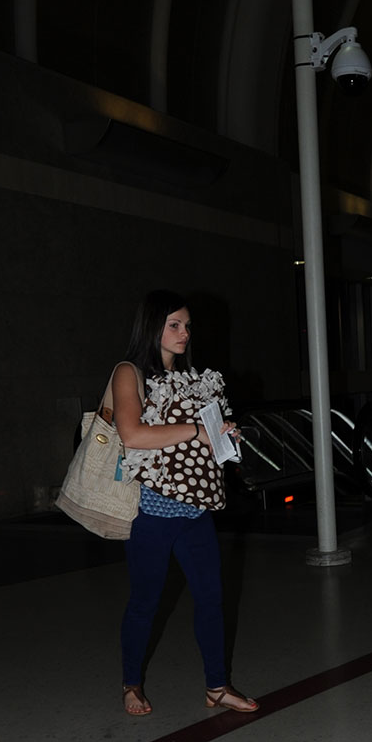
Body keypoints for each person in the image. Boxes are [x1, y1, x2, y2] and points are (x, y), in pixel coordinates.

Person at [111, 289, 258, 718]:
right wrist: (196, 431)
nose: (184, 333)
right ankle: (130, 683)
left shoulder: (196, 379)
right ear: (152, 326)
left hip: (195, 511)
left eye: (187, 325)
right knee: (145, 601)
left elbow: (198, 440)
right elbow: (133, 435)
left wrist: (222, 433)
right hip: (152, 513)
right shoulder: (130, 373)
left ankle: (217, 686)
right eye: (174, 324)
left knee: (211, 598)